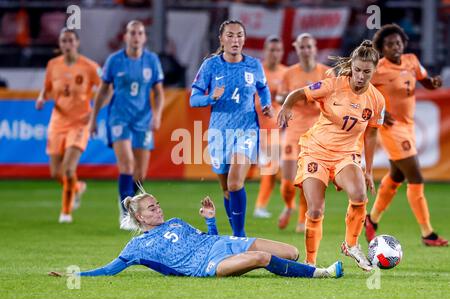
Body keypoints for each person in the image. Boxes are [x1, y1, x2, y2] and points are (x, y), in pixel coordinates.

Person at [48, 190, 343, 279]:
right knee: (264, 257)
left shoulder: (176, 221)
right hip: (206, 266)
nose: (159, 210)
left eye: (158, 204)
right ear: (140, 217)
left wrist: (212, 221)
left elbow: (204, 236)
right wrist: (76, 276)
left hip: (221, 244)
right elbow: (109, 269)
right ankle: (321, 274)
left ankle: (304, 268)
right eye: (152, 209)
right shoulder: (137, 246)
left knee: (290, 251)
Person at [278, 40, 385, 271]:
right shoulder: (333, 85)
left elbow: (371, 134)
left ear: (374, 71)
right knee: (315, 209)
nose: (360, 76)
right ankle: (310, 263)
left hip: (346, 155)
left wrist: (368, 170)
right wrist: (287, 106)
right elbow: (299, 93)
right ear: (351, 67)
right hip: (316, 151)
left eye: (367, 72)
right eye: (357, 70)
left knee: (359, 195)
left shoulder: (377, 100)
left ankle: (351, 245)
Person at [365, 24, 448, 246]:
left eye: (398, 43)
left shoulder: (411, 60)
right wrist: (380, 111)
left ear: (404, 44)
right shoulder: (378, 69)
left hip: (409, 126)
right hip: (391, 128)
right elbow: (361, 92)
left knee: (396, 176)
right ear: (382, 48)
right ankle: (427, 233)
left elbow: (426, 82)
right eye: (390, 44)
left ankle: (371, 219)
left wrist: (434, 83)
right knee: (416, 176)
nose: (395, 47)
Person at [189, 20, 273, 237]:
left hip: (246, 129)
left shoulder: (253, 65)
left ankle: (239, 236)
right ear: (221, 39)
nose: (235, 40)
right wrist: (210, 97)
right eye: (230, 35)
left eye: (239, 35)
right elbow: (194, 98)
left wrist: (266, 105)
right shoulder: (210, 66)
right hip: (219, 132)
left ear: (244, 39)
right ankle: (236, 235)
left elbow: (263, 88)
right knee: (227, 189)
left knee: (235, 183)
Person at [89, 20, 165, 229]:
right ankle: (125, 213)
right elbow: (103, 91)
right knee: (127, 165)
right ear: (126, 36)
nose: (136, 36)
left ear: (144, 37)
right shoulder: (114, 60)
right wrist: (93, 118)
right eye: (132, 32)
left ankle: (132, 208)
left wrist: (157, 115)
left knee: (140, 173)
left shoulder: (151, 60)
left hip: (143, 119)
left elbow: (158, 92)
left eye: (140, 33)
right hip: (118, 118)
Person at [36, 28, 101, 223]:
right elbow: (47, 88)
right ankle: (77, 187)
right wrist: (41, 98)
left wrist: (93, 113)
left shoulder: (90, 67)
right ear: (60, 44)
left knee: (68, 169)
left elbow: (106, 89)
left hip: (80, 122)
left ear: (77, 43)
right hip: (58, 121)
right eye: (63, 41)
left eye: (70, 40)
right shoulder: (52, 65)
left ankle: (66, 212)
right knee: (56, 172)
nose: (67, 44)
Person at [276, 33, 330, 233]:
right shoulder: (289, 73)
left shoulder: (326, 73)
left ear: (315, 48)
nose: (306, 50)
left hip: (316, 133)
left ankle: (302, 218)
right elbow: (281, 97)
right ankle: (289, 206)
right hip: (293, 130)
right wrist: (295, 96)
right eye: (302, 47)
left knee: (308, 178)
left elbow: (334, 98)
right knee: (288, 182)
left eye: (309, 46)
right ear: (297, 49)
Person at [253, 35, 287, 219]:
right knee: (241, 168)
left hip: (274, 130)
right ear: (265, 51)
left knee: (271, 167)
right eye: (272, 50)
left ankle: (260, 206)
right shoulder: (257, 72)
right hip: (252, 128)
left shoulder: (286, 73)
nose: (275, 54)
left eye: (278, 50)